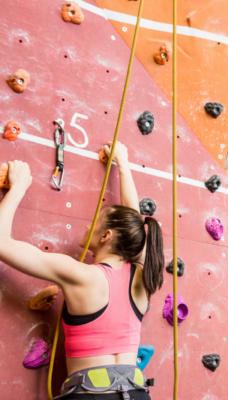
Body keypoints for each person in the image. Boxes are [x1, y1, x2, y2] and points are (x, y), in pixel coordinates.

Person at [0, 141, 163, 400]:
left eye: (94, 222)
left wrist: (18, 186)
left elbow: (1, 243)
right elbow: (134, 224)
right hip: (135, 394)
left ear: (106, 236)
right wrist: (123, 165)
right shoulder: (143, 279)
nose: (88, 227)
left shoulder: (80, 275)